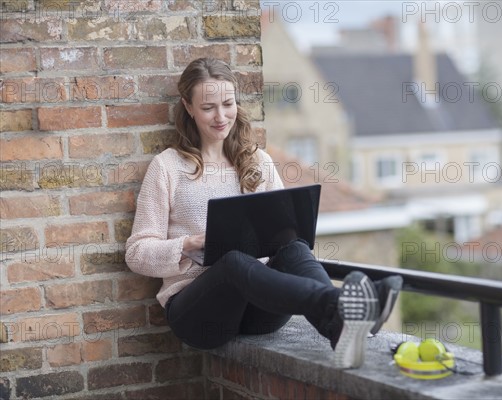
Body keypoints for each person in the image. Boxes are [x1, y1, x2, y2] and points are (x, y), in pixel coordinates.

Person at [125, 58, 402, 369]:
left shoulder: (258, 161)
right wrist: (188, 243)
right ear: (188, 107)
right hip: (200, 315)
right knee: (232, 261)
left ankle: (338, 324)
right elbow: (137, 253)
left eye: (227, 104)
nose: (221, 116)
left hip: (259, 310)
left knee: (294, 246)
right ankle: (340, 308)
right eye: (208, 108)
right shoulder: (168, 167)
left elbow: (285, 236)